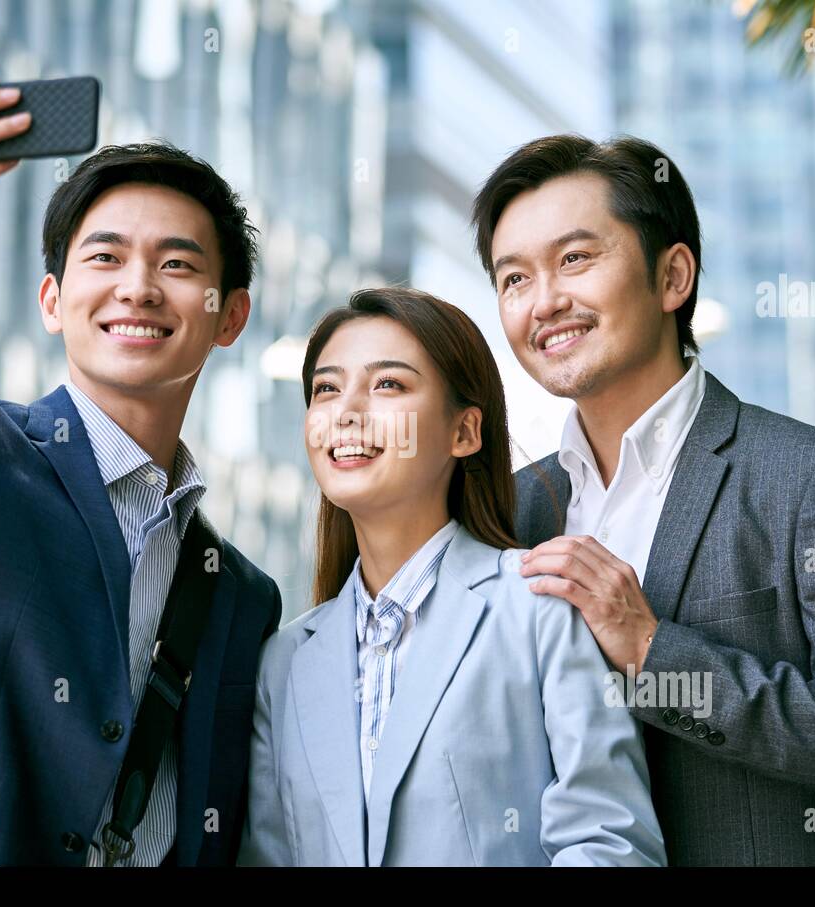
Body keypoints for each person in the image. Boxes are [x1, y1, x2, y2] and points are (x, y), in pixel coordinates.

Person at [0, 72, 279, 866]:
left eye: (177, 265)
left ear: (228, 315)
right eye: (105, 257)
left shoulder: (241, 594)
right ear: (52, 300)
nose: (137, 287)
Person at [472, 133, 815, 865]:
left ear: (673, 277)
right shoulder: (510, 512)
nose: (544, 302)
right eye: (514, 279)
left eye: (575, 259)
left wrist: (654, 651)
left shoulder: (810, 478)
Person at [238, 287, 665, 866]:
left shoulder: (540, 608)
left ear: (464, 432)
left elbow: (611, 844)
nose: (346, 412)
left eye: (388, 384)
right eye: (326, 389)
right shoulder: (284, 662)